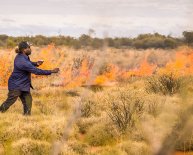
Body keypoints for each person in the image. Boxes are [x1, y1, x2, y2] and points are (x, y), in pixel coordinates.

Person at [0, 41, 59, 115]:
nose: (30, 49)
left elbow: (29, 64)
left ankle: (27, 118)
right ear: (24, 49)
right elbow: (36, 71)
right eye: (29, 48)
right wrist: (51, 71)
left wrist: (36, 63)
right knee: (10, 101)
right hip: (16, 85)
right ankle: (1, 112)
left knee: (28, 101)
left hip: (23, 85)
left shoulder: (23, 57)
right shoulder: (22, 60)